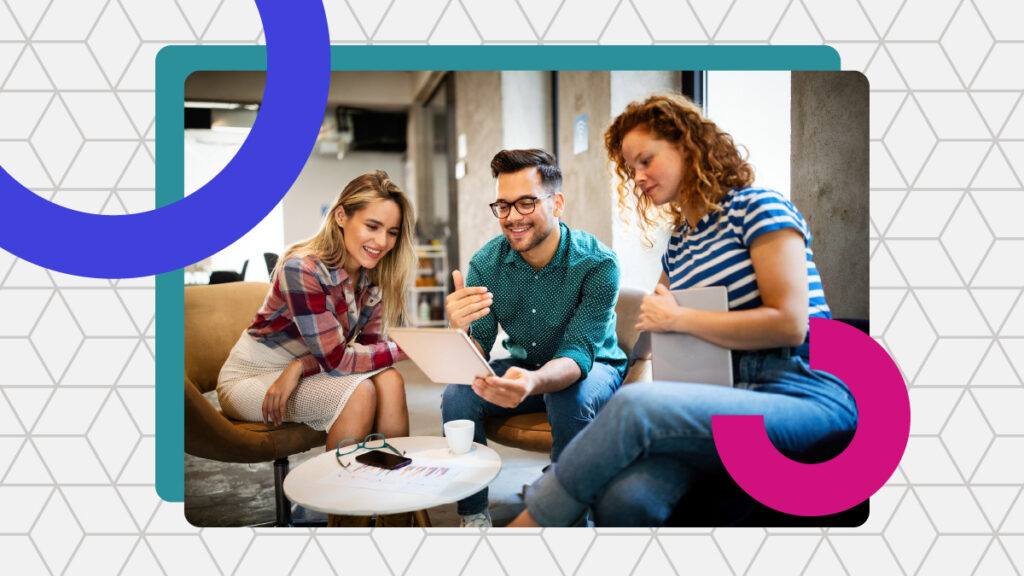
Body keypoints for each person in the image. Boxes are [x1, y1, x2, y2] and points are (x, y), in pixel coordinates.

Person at [508, 94, 858, 527]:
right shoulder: (683, 240)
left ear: (687, 145)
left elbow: (789, 324)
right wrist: (652, 339)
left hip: (799, 393)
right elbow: (656, 325)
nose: (637, 177)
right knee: (625, 500)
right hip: (718, 395)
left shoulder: (759, 207)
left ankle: (524, 527)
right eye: (630, 168)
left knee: (635, 406)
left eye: (645, 160)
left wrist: (678, 319)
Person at [442, 149, 627, 527]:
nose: (512, 217)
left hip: (594, 367)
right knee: (457, 391)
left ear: (556, 203)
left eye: (526, 203)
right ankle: (473, 515)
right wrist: (458, 334)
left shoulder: (598, 264)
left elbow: (577, 355)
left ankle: (571, 517)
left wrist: (533, 382)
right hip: (526, 362)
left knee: (565, 395)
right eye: (503, 206)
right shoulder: (486, 264)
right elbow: (478, 346)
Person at [217, 170, 415, 453]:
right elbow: (337, 360)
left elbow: (365, 353)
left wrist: (298, 367)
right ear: (341, 217)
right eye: (372, 226)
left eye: (392, 232)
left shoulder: (372, 278)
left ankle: (391, 488)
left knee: (390, 379)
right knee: (359, 392)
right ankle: (337, 494)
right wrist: (413, 348)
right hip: (251, 377)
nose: (382, 242)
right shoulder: (302, 269)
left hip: (306, 369)